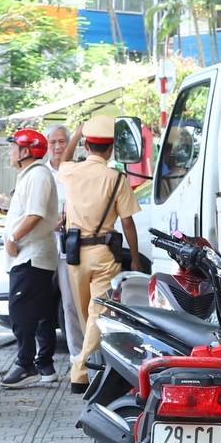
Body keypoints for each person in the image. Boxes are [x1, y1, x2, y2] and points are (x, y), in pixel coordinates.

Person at [60, 115, 141, 393]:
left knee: (88, 314)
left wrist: (76, 134)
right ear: (110, 149)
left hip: (74, 255)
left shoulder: (71, 172)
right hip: (105, 255)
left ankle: (85, 368)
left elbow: (62, 161)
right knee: (97, 313)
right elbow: (128, 222)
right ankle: (82, 369)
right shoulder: (117, 179)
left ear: (87, 145)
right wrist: (137, 258)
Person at [0, 127, 61, 388]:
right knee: (41, 311)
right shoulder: (31, 175)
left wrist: (13, 239)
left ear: (25, 151)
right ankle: (45, 365)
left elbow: (34, 215)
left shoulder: (37, 175)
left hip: (31, 255)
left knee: (20, 311)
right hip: (32, 255)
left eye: (14, 147)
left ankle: (26, 364)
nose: (11, 152)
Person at [44, 124, 80, 361]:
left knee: (71, 303)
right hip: (44, 247)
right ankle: (41, 359)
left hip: (71, 247)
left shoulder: (78, 172)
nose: (57, 147)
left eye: (62, 142)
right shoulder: (39, 172)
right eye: (53, 142)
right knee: (40, 305)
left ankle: (77, 355)